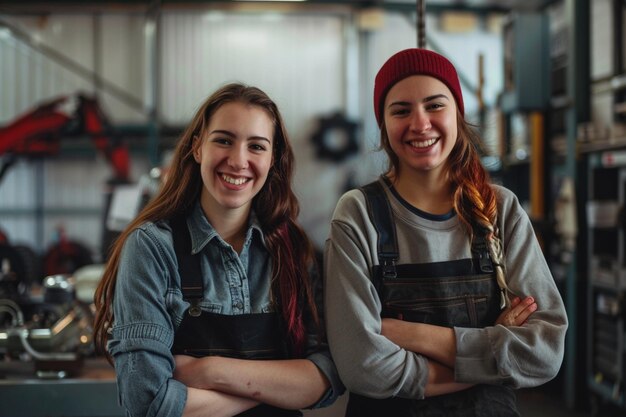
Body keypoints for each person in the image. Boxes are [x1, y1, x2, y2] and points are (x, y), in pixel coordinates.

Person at [324, 48, 568, 416]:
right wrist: (490, 354)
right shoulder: (359, 214)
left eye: (435, 105)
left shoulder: (499, 209)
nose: (420, 124)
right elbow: (363, 367)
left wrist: (418, 336)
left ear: (457, 113)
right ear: (384, 125)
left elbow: (544, 354)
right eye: (401, 110)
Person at [93, 83, 343, 417]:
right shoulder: (152, 248)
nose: (239, 161)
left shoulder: (294, 251)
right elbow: (147, 402)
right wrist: (279, 389)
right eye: (224, 140)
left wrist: (210, 371)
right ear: (197, 148)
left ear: (272, 160)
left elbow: (327, 378)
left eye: (256, 146)